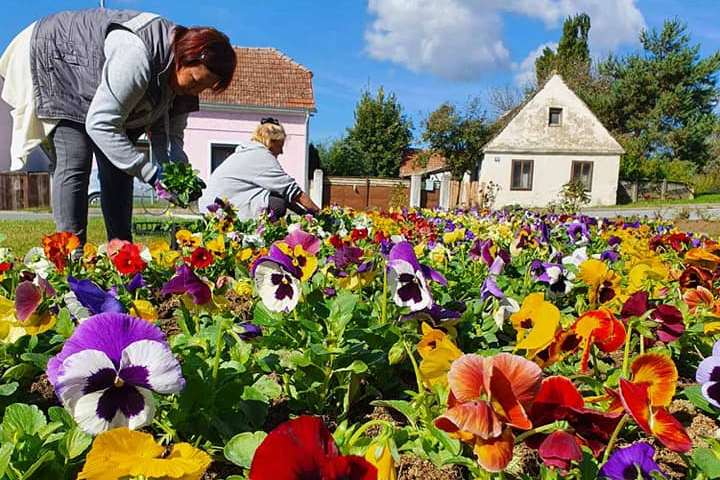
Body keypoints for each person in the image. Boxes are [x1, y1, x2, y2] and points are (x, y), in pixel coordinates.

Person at [0, 9, 237, 244]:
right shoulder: (136, 56)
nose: (195, 91)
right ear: (184, 57)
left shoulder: (182, 83)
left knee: (119, 166)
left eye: (204, 88)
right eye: (195, 81)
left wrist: (177, 176)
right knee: (76, 158)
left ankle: (122, 250)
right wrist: (150, 174)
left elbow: (170, 138)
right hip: (61, 58)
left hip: (105, 85)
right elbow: (101, 124)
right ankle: (71, 254)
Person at [199, 118, 320, 220]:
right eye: (280, 146)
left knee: (276, 197)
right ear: (271, 142)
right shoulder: (260, 155)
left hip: (211, 209)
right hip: (220, 213)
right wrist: (318, 213)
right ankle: (260, 235)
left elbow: (283, 191)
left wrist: (304, 215)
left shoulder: (248, 152)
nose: (281, 151)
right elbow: (292, 191)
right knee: (277, 204)